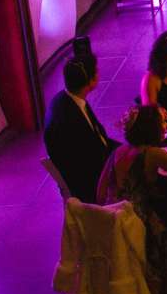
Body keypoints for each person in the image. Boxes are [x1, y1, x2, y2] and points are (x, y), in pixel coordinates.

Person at [95, 105, 167, 294]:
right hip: (138, 219)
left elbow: (100, 190)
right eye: (162, 124)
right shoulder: (153, 153)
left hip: (113, 217)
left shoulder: (118, 151)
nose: (165, 127)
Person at [45, 54, 116, 203]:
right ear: (91, 81)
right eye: (96, 71)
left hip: (92, 167)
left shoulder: (68, 99)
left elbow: (99, 139)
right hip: (90, 184)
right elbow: (92, 157)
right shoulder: (69, 119)